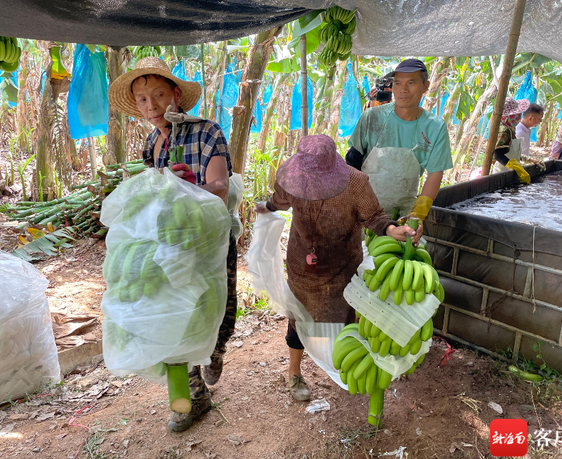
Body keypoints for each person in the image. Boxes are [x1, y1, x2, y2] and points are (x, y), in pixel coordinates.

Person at [108, 57, 237, 432]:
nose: (151, 107)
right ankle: (190, 400)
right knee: (175, 317)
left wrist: (187, 185)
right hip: (167, 244)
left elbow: (220, 187)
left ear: (176, 94)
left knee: (222, 313)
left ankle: (216, 350)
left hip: (210, 240)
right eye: (143, 100)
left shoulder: (207, 132)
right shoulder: (152, 142)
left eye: (158, 96)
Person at [255, 135, 420, 401]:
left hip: (341, 266)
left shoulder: (355, 183)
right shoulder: (292, 177)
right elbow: (279, 200)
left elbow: (374, 216)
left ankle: (344, 365)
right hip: (302, 265)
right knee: (299, 315)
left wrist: (391, 228)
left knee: (344, 317)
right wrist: (268, 207)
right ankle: (294, 372)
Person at [345, 59, 453, 224]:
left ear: (425, 86)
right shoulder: (372, 117)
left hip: (403, 215)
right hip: (363, 210)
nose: (403, 89)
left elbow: (435, 173)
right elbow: (352, 160)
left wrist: (419, 213)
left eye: (411, 82)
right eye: (397, 83)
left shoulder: (435, 127)